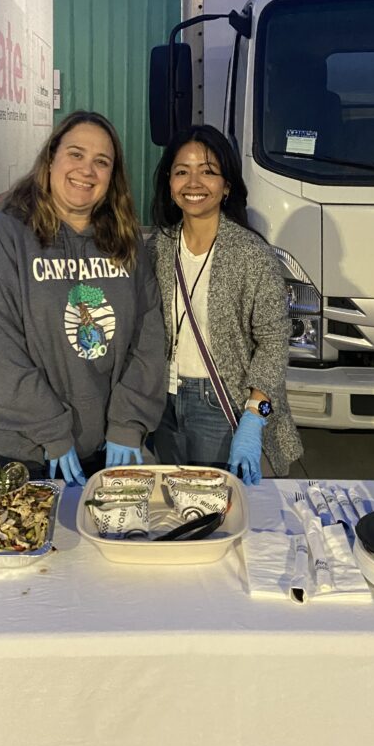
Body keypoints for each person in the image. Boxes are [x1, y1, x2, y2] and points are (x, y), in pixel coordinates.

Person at [0, 111, 165, 485]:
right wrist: (49, 430)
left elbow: (149, 335)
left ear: (112, 177)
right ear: (51, 158)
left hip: (112, 442)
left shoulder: (125, 241)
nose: (87, 170)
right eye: (76, 154)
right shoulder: (7, 237)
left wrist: (128, 419)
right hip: (34, 446)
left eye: (101, 162)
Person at [148, 125, 303, 484]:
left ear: (226, 186)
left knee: (219, 512)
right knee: (175, 505)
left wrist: (255, 415)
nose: (194, 182)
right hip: (165, 404)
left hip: (223, 405)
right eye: (182, 171)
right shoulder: (156, 248)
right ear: (169, 184)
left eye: (208, 171)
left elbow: (274, 343)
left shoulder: (251, 255)